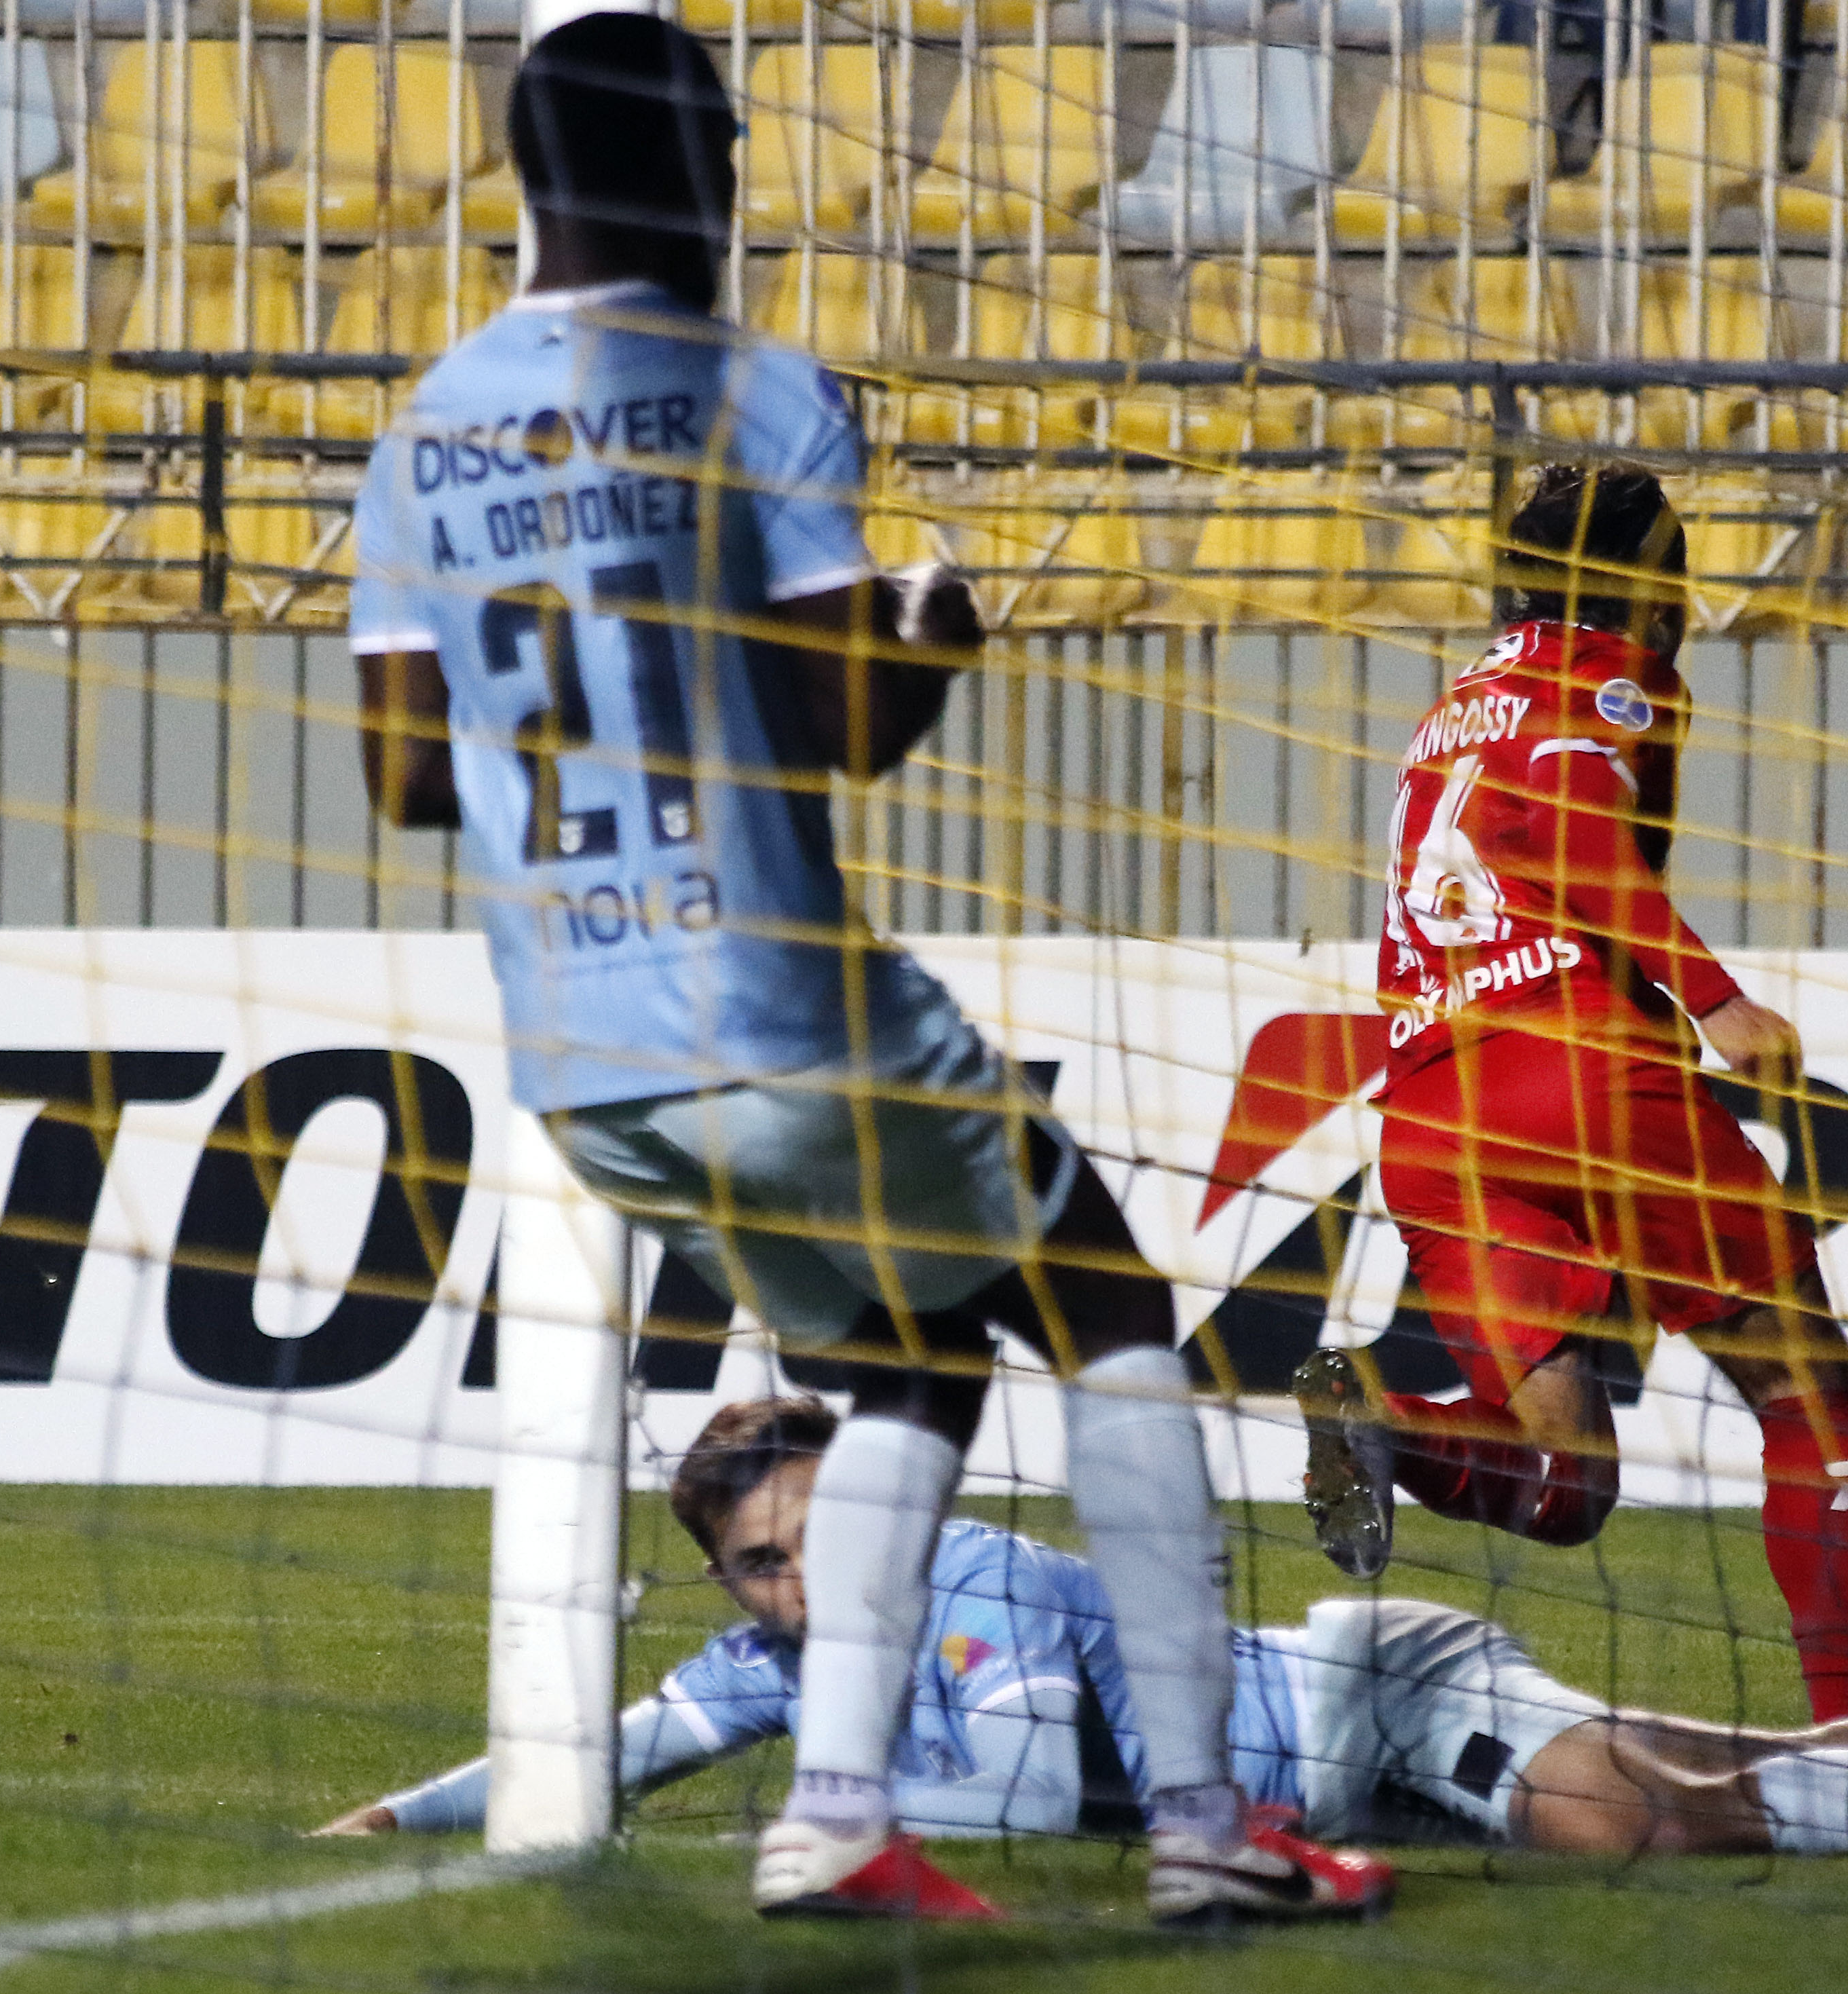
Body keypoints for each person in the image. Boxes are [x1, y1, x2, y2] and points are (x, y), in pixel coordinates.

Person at [346, 14, 1378, 1925]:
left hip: (584, 1062)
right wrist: (930, 623)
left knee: (912, 1357)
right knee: (1106, 1302)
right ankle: (1210, 1826)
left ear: (527, 174)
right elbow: (844, 730)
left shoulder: (426, 431)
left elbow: (406, 770)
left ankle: (837, 1810)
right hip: (779, 1005)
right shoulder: (752, 389)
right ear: (708, 166)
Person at [321, 1397, 1848, 1867]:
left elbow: (1049, 1770)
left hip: (1379, 1698)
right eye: (758, 1570)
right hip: (1363, 1723)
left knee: (1646, 1816)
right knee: (1765, 1768)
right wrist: (403, 1821)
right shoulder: (777, 1666)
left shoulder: (978, 1589)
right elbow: (585, 1757)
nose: (791, 1591)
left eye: (808, 1545)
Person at [1296, 462, 1848, 1724]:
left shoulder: (1453, 705)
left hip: (1434, 1114)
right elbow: (1570, 827)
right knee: (1802, 1383)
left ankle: (1393, 1430)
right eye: (1672, 569)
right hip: (1578, 1075)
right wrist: (1715, 1000)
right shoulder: (1611, 675)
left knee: (1570, 1486)